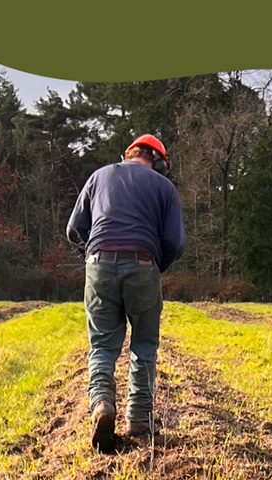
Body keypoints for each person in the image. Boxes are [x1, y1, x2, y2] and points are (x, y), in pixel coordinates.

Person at [66, 134, 186, 453]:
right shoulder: (164, 187)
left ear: (128, 154)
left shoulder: (98, 176)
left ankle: (103, 405)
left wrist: (93, 260)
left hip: (98, 264)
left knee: (103, 345)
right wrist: (153, 266)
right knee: (144, 345)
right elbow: (175, 242)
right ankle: (139, 421)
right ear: (158, 162)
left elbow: (74, 229)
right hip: (143, 263)